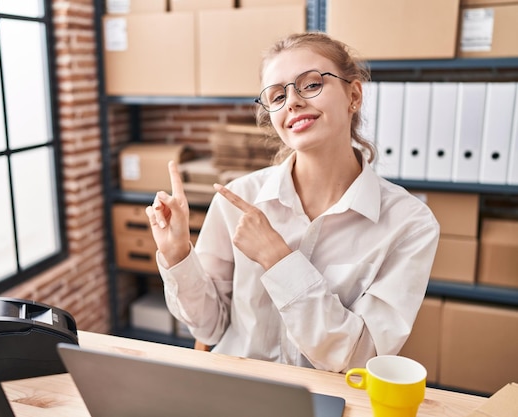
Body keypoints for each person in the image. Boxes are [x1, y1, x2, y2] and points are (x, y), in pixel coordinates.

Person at [145, 31, 439, 373]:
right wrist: (178, 253)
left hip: (332, 399)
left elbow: (361, 358)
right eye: (276, 95)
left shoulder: (410, 223)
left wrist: (277, 259)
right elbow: (209, 327)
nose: (292, 102)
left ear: (353, 95)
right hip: (238, 389)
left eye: (311, 84)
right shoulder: (236, 199)